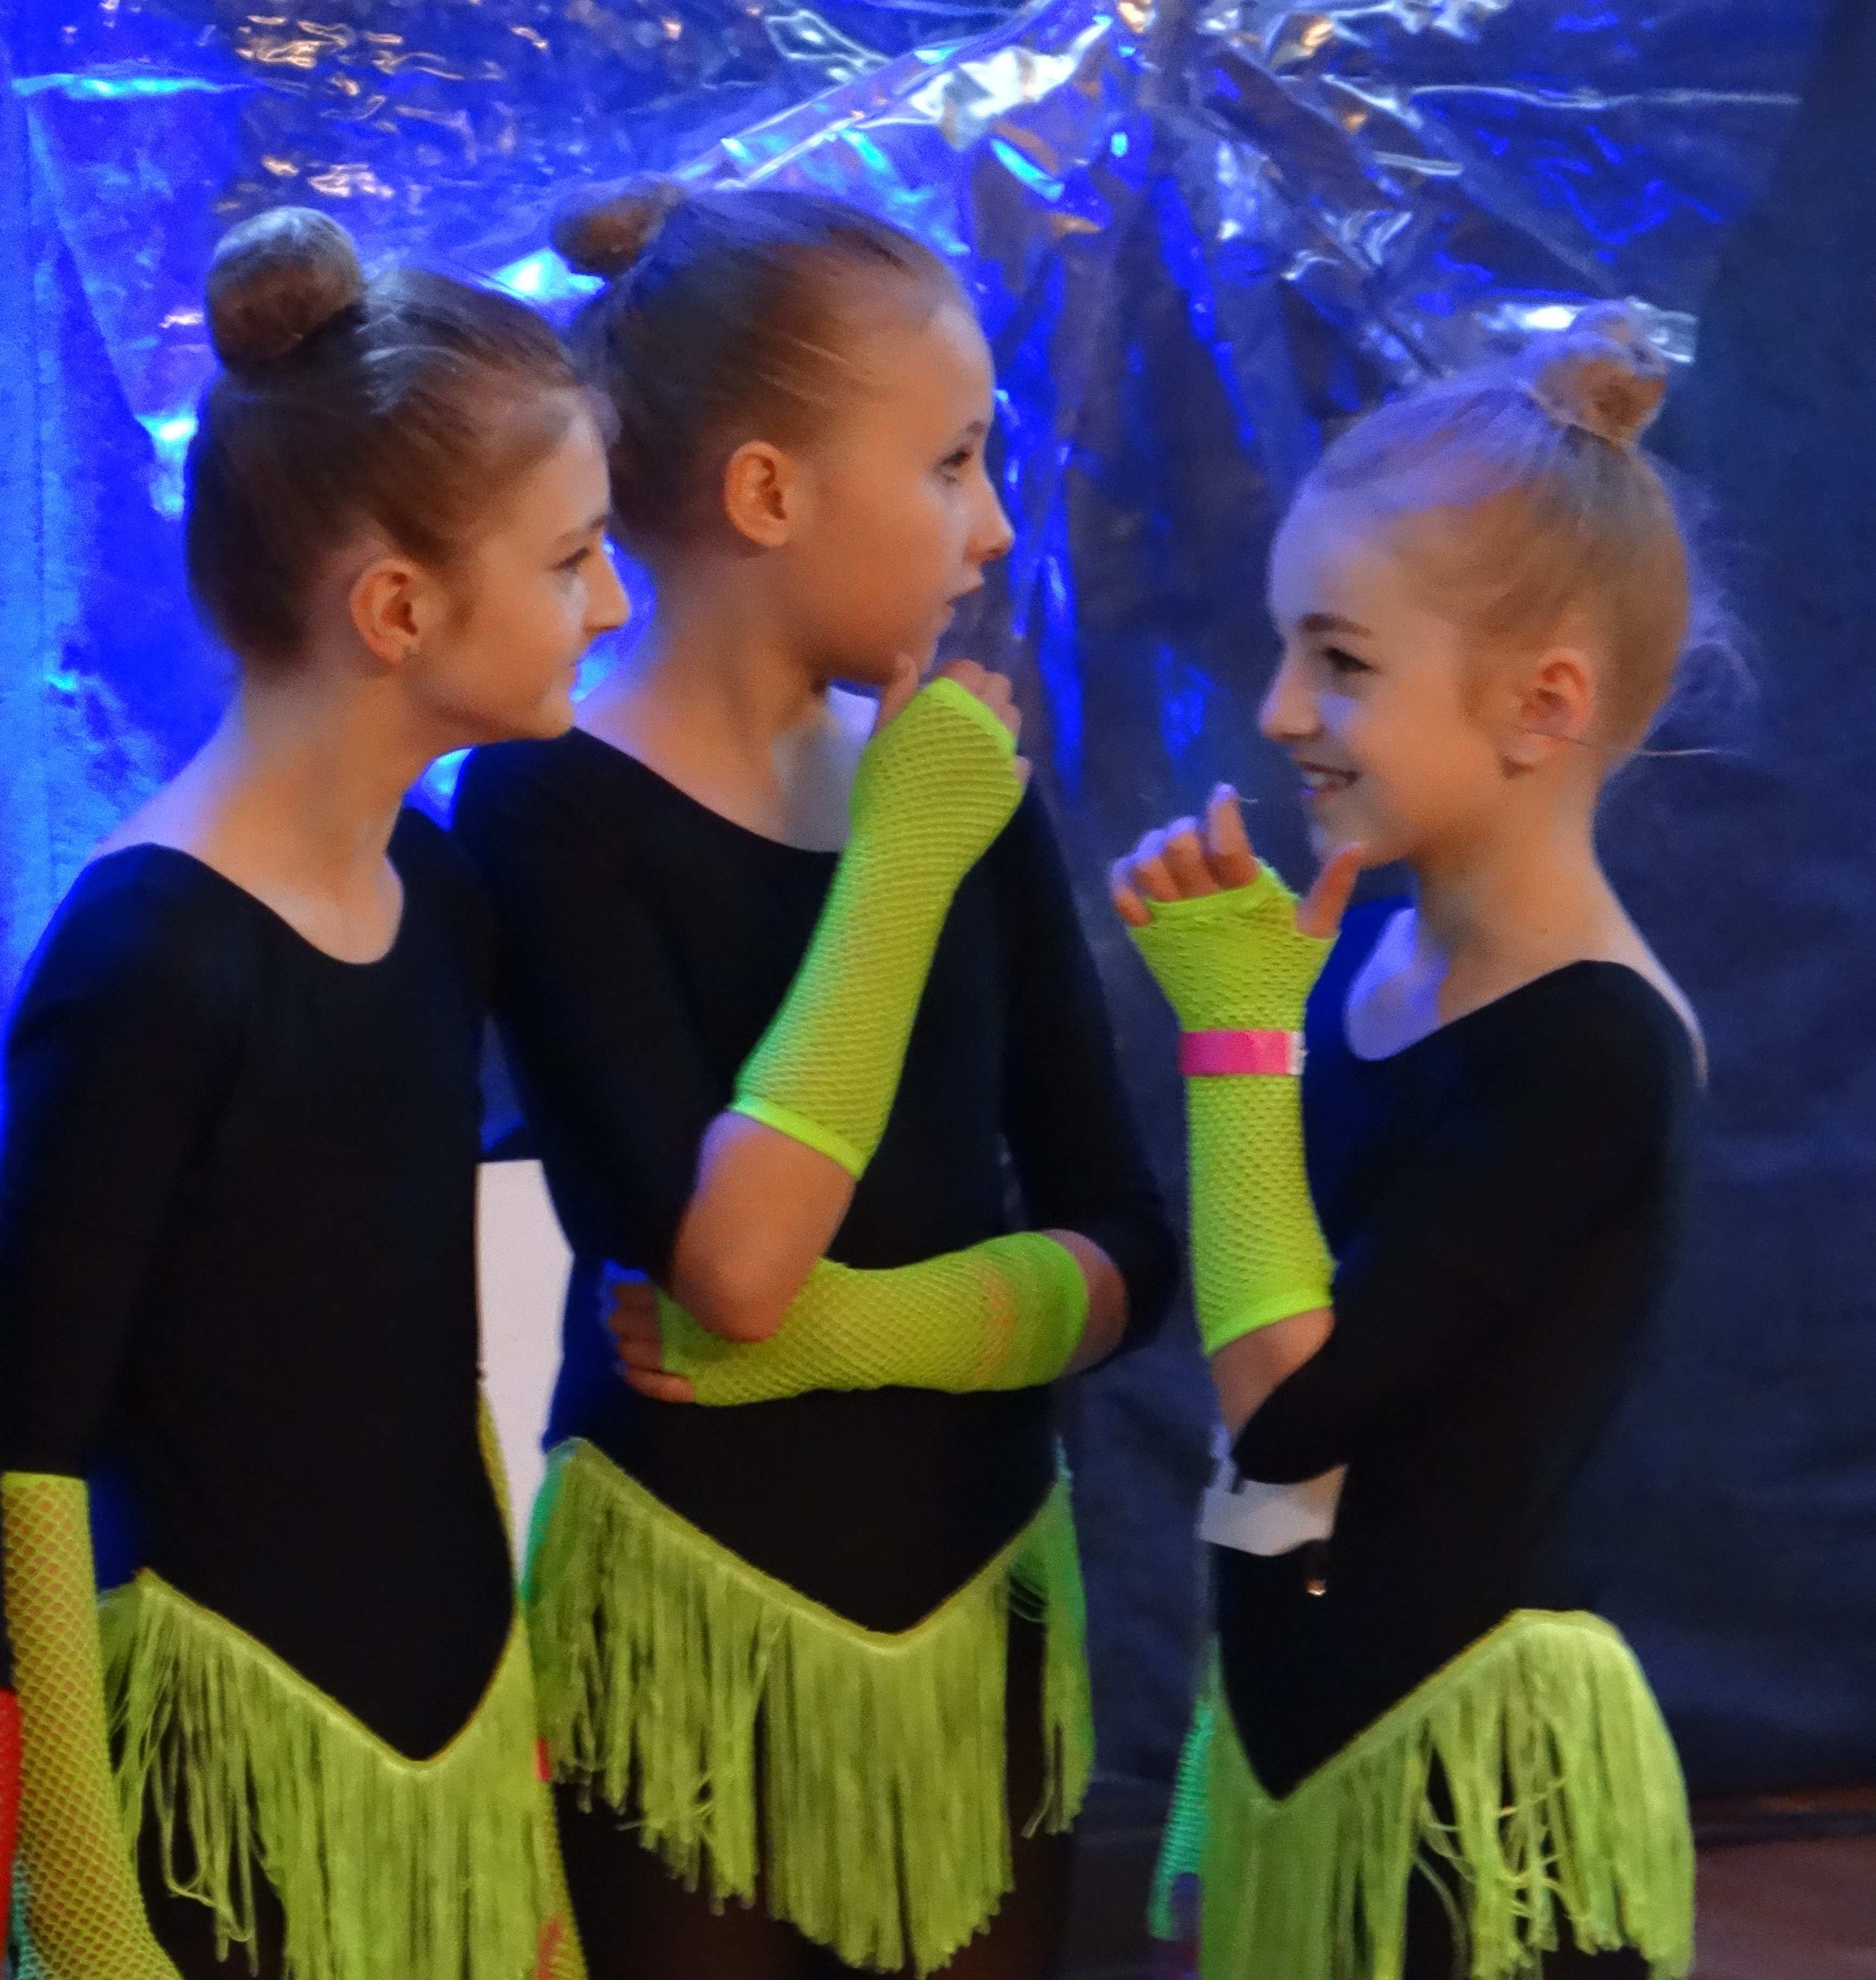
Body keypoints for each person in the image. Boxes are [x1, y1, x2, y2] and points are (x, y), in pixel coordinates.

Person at [452, 181, 1178, 1980]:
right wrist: (901, 860)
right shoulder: (548, 807)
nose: (992, 528)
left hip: (979, 1602)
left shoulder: (951, 782)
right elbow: (737, 1269)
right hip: (696, 1620)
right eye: (950, 465)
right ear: (770, 494)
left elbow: (1126, 1253)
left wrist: (875, 1332)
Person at [0, 205, 627, 1980]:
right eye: (573, 557)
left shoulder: (439, 894)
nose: (611, 602)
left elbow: (428, 1374)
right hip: (217, 1818)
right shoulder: (150, 959)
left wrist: (505, 1770)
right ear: (399, 607)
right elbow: (25, 1456)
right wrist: (87, 1899)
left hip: (445, 1763)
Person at [1117, 311, 1702, 1980]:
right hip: (1312, 1742)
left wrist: (1237, 1043)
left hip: (1473, 1809)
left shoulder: (1592, 1049)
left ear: (1541, 704)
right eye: (1284, 648)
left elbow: (1291, 1407)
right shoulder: (1374, 963)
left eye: (1343, 662)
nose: (1277, 707)